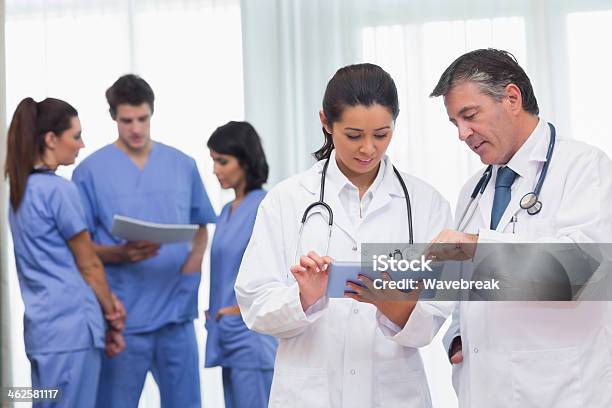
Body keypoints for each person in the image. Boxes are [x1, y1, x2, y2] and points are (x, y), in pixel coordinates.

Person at [235, 63, 453, 408]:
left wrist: (397, 307)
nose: (368, 149)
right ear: (326, 122)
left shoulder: (426, 204)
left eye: (381, 134)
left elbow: (437, 315)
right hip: (310, 395)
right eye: (354, 135)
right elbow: (255, 305)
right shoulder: (288, 200)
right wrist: (304, 298)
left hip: (395, 395)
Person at [425, 49, 612, 407]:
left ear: (512, 98)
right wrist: (460, 336)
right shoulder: (473, 191)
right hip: (486, 390)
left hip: (561, 390)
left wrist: (475, 245)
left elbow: (581, 274)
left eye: (469, 116)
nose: (462, 134)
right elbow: (468, 289)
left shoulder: (585, 168)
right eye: (454, 123)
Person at [72, 75, 216, 408]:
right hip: (124, 320)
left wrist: (191, 272)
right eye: (126, 121)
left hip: (176, 317)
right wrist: (119, 254)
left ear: (152, 113)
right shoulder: (90, 172)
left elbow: (200, 227)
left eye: (142, 119)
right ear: (113, 118)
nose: (136, 128)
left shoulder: (182, 165)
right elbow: (79, 248)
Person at [5, 97, 126, 407]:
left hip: (42, 333)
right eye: (75, 136)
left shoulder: (19, 194)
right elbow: (88, 265)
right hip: (73, 331)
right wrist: (112, 314)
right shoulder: (59, 191)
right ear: (50, 139)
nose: (81, 144)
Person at [205, 121, 277, 408]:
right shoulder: (225, 212)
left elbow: (283, 272)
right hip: (226, 334)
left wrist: (237, 310)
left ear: (245, 161)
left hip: (251, 336)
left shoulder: (266, 206)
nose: (216, 170)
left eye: (223, 161)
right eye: (213, 161)